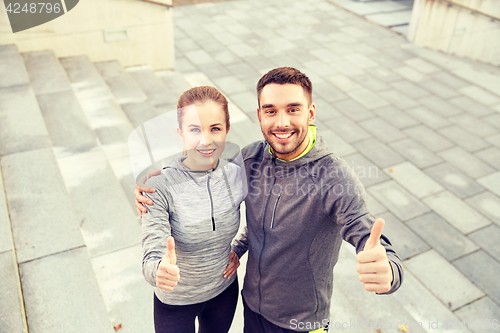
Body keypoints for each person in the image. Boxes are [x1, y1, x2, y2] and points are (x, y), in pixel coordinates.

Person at [136, 68, 403, 333]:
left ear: (310, 113)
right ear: (260, 115)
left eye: (293, 109)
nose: (282, 122)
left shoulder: (334, 178)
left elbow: (367, 233)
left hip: (302, 322)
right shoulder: (249, 160)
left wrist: (388, 270)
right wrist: (151, 180)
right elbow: (205, 171)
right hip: (251, 308)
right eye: (271, 110)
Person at [140, 86, 247, 333]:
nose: (206, 140)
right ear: (180, 133)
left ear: (227, 130)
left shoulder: (236, 175)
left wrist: (239, 248)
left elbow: (262, 216)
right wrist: (159, 270)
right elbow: (151, 254)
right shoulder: (159, 187)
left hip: (223, 292)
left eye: (215, 129)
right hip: (175, 302)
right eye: (195, 129)